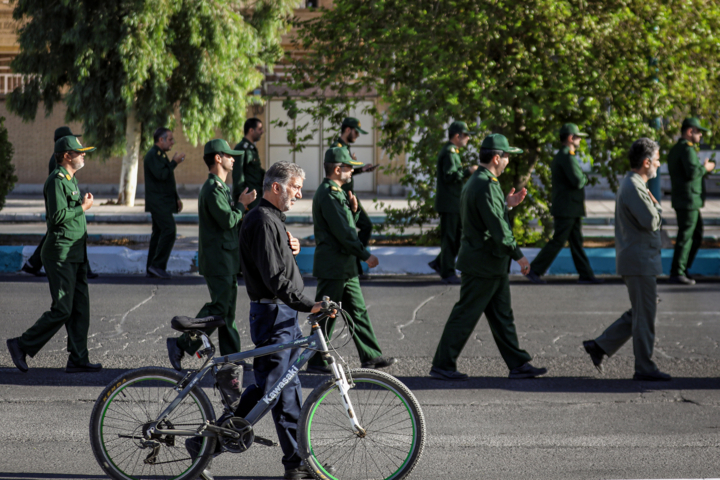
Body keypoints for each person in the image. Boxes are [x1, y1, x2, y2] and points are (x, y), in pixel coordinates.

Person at [236, 161, 328, 480]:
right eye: (296, 187)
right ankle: (210, 440)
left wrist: (293, 248)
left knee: (285, 390)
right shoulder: (261, 220)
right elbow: (275, 277)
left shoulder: (272, 218)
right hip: (274, 313)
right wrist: (309, 304)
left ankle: (298, 461)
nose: (300, 194)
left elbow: (277, 262)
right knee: (272, 391)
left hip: (282, 313)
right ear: (276, 187)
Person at [430, 134, 547, 381]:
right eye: (506, 157)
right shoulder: (486, 184)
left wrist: (507, 204)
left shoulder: (480, 181)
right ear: (496, 157)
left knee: (502, 315)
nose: (507, 162)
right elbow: (497, 227)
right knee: (465, 314)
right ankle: (442, 364)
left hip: (488, 263)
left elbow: (488, 212)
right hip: (484, 262)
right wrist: (519, 256)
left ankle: (518, 363)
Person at [7, 136, 102, 373]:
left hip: (76, 253)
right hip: (60, 254)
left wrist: (80, 205)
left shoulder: (70, 181)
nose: (84, 155)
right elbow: (57, 217)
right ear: (67, 155)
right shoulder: (56, 181)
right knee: (62, 309)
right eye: (79, 152)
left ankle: (78, 358)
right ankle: (21, 345)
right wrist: (83, 208)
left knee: (81, 308)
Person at [583, 138, 670, 381]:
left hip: (639, 259)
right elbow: (651, 221)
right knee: (645, 316)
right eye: (657, 160)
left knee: (643, 310)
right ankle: (644, 367)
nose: (658, 164)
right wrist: (657, 208)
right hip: (639, 260)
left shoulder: (634, 184)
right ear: (646, 162)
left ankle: (599, 346)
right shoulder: (634, 185)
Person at [166, 139, 256, 371]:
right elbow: (227, 220)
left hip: (225, 259)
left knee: (227, 312)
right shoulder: (213, 189)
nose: (233, 159)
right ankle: (181, 343)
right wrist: (241, 205)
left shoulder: (221, 187)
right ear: (218, 158)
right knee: (219, 309)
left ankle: (231, 358)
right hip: (218, 260)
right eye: (229, 155)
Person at [306, 147, 396, 375]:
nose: (351, 172)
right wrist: (365, 255)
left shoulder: (336, 192)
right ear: (337, 169)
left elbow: (346, 225)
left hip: (344, 266)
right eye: (348, 168)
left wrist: (354, 211)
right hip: (334, 266)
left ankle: (371, 356)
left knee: (358, 312)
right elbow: (344, 234)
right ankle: (316, 361)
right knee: (326, 314)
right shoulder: (328, 193)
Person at [527, 123, 601, 284]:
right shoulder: (567, 157)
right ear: (570, 138)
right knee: (559, 240)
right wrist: (584, 178)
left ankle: (586, 274)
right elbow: (577, 180)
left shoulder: (564, 155)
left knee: (576, 242)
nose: (580, 140)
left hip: (569, 207)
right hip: (567, 207)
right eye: (578, 137)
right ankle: (534, 269)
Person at [21, 126, 98, 279]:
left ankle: (32, 264)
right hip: (60, 204)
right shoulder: (58, 168)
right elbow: (59, 189)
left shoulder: (65, 167)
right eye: (75, 148)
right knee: (56, 233)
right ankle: (33, 264)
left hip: (66, 208)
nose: (82, 154)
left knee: (60, 232)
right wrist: (82, 206)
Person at [428, 121, 478, 284]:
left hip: (453, 202)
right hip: (449, 203)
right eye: (466, 136)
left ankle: (440, 262)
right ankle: (447, 272)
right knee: (450, 238)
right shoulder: (449, 152)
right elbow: (450, 176)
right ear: (458, 136)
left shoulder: (453, 152)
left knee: (458, 236)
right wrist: (468, 171)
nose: (468, 139)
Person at [667, 117, 715, 285]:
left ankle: (683, 269)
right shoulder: (686, 150)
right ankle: (677, 271)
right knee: (686, 236)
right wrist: (706, 168)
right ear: (689, 131)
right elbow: (692, 173)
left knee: (696, 234)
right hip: (688, 200)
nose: (700, 135)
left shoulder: (677, 149)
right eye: (698, 131)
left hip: (687, 199)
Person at [334, 117, 378, 278]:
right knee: (360, 229)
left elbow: (346, 172)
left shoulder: (345, 147)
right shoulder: (338, 149)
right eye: (356, 132)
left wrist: (360, 169)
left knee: (358, 230)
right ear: (348, 130)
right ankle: (355, 267)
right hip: (343, 197)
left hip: (349, 196)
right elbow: (336, 173)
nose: (357, 135)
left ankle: (355, 267)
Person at [144, 127, 185, 279]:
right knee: (169, 230)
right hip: (158, 202)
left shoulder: (160, 155)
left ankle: (151, 268)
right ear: (160, 140)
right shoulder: (152, 155)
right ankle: (157, 265)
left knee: (158, 233)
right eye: (170, 139)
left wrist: (176, 198)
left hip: (164, 201)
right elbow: (162, 175)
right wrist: (174, 162)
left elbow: (167, 180)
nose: (172, 143)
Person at [232, 117, 265, 211]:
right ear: (251, 130)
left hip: (256, 195)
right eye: (259, 129)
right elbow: (238, 175)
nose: (262, 131)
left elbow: (256, 171)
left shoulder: (252, 148)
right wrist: (241, 200)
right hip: (248, 198)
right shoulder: (241, 148)